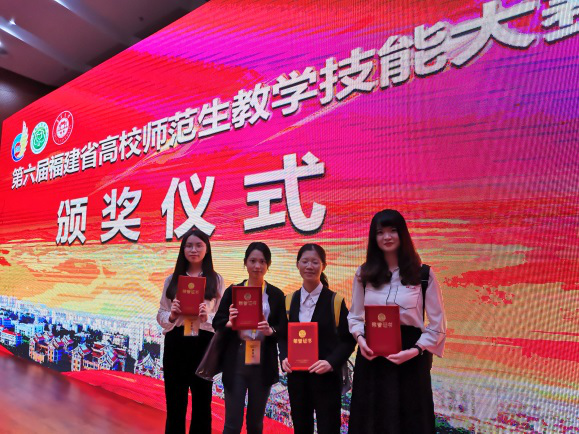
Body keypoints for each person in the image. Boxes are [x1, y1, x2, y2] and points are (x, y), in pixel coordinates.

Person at [347, 209, 447, 434]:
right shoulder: (364, 274)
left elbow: (437, 325)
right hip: (372, 355)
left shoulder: (423, 274)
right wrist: (361, 340)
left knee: (411, 420)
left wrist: (414, 351)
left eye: (393, 230)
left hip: (410, 358)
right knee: (371, 421)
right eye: (380, 232)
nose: (387, 237)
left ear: (403, 234)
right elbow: (354, 316)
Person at [279, 243, 356, 434]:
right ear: (297, 264)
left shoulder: (335, 301)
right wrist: (284, 357)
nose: (309, 266)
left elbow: (348, 339)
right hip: (297, 379)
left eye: (315, 262)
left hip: (327, 379)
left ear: (324, 266)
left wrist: (331, 363)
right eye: (305, 261)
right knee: (301, 427)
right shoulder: (289, 300)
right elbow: (282, 336)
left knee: (328, 428)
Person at [212, 242, 287, 434]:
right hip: (236, 360)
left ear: (268, 265)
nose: (257, 266)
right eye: (253, 261)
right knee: (232, 424)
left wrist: (271, 330)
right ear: (245, 262)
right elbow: (217, 322)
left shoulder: (276, 295)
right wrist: (230, 322)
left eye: (262, 261)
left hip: (263, 362)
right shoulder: (233, 291)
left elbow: (284, 329)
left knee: (255, 424)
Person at [156, 228, 225, 434]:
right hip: (176, 344)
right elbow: (161, 313)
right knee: (175, 404)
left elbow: (221, 318)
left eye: (198, 245)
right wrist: (171, 316)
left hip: (203, 345)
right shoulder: (172, 280)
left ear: (207, 249)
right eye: (188, 246)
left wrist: (206, 317)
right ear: (183, 249)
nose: (193, 250)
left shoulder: (216, 280)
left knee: (202, 405)